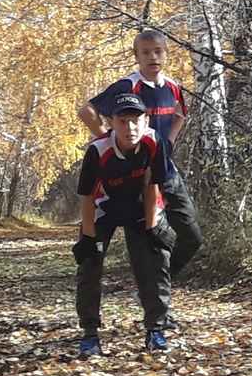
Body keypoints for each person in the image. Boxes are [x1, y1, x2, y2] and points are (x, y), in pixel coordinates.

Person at [77, 30, 203, 275]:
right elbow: (87, 112)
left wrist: (170, 141)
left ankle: (163, 278)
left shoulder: (172, 87)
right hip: (136, 173)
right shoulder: (129, 86)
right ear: (137, 56)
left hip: (165, 169)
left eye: (157, 51)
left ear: (166, 55)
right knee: (144, 235)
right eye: (145, 52)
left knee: (192, 236)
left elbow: (180, 114)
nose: (152, 57)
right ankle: (150, 290)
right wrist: (110, 139)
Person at [72, 92, 178, 358]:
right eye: (122, 121)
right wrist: (88, 239)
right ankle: (90, 335)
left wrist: (153, 229)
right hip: (104, 208)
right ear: (110, 123)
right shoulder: (98, 150)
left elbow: (152, 185)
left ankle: (156, 331)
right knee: (89, 266)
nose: (130, 128)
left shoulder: (154, 142)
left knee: (158, 259)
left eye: (135, 121)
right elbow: (87, 197)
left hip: (140, 206)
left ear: (145, 121)